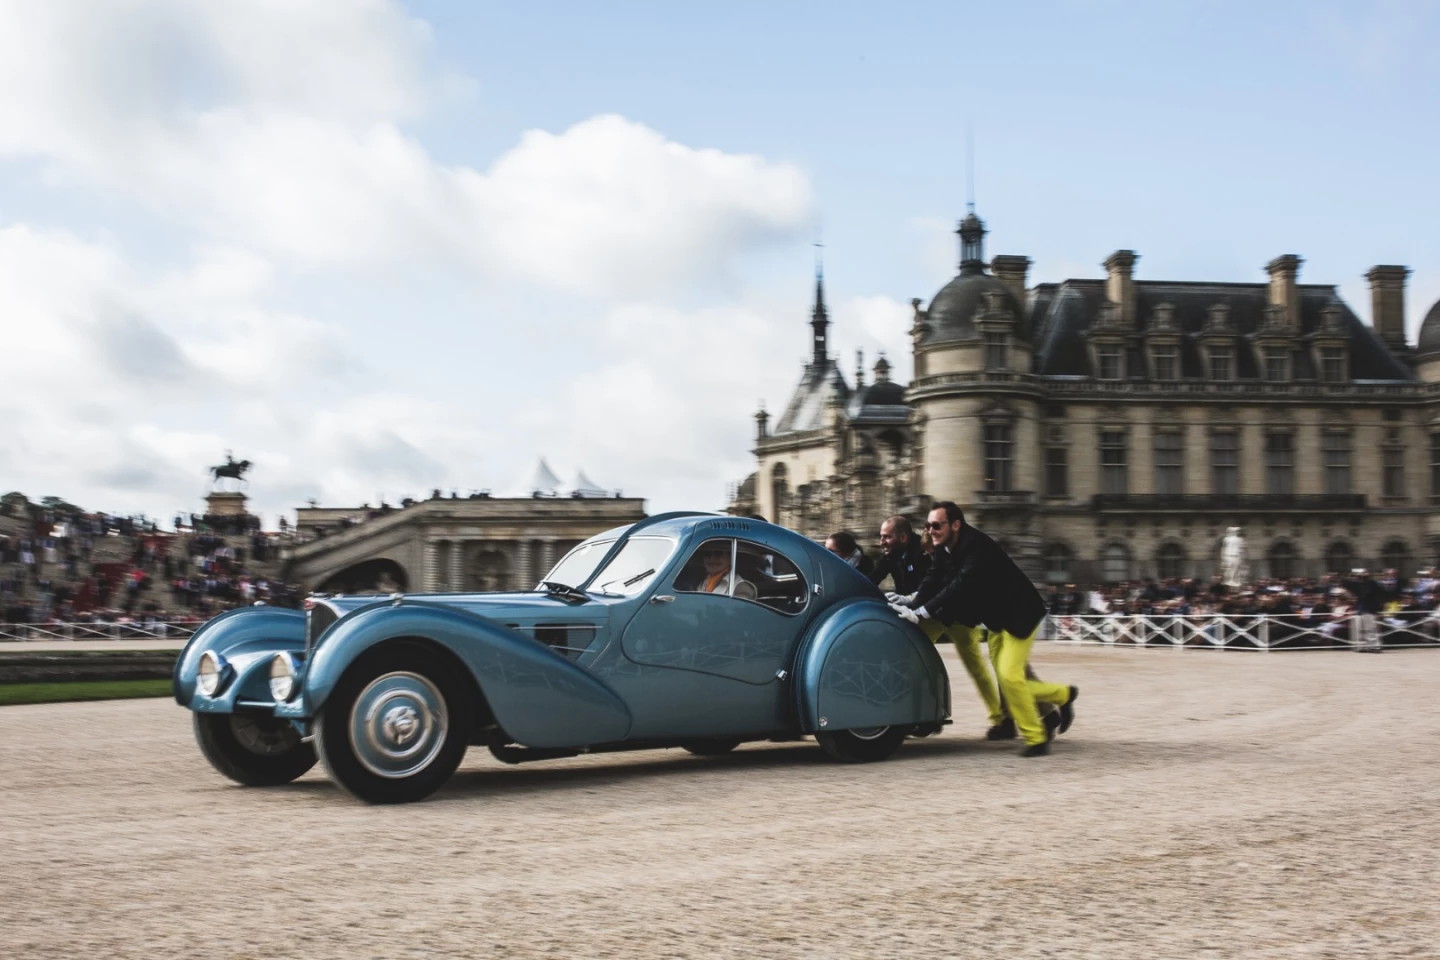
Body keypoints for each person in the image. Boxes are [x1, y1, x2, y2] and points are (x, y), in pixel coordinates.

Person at [889, 501, 1077, 757]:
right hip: (996, 621)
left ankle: (1036, 738)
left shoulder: (976, 548)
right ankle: (1063, 695)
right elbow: (934, 578)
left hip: (1020, 616)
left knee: (1011, 678)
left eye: (936, 525)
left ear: (955, 524)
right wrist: (912, 601)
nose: (930, 530)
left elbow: (957, 587)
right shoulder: (946, 548)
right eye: (928, 525)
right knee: (1008, 679)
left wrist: (920, 613)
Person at [679, 541, 757, 600]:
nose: (712, 559)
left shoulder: (741, 586)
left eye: (718, 553)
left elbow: (737, 614)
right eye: (707, 554)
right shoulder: (702, 583)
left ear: (730, 558)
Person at [1342, 567, 1384, 653]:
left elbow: (1377, 595)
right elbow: (1344, 582)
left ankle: (1374, 646)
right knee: (1359, 629)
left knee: (1370, 629)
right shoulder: (1357, 584)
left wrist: (1378, 609)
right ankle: (1361, 646)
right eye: (1363, 572)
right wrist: (1352, 575)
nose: (1364, 574)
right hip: (1359, 609)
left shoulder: (1372, 583)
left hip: (1369, 609)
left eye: (1366, 572)